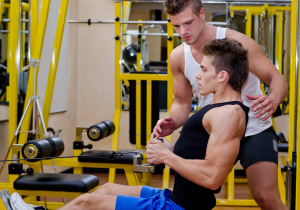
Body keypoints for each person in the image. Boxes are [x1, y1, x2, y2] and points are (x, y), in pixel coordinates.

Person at [58, 38, 249, 210]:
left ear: (222, 76)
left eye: (204, 69)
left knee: (85, 204)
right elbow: (201, 154)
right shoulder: (220, 108)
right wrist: (171, 149)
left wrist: (166, 156)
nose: (198, 75)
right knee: (106, 189)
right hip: (175, 197)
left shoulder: (229, 114)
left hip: (179, 207)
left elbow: (213, 178)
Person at [151, 1, 288, 210]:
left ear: (202, 14)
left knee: (266, 199)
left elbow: (276, 78)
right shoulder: (178, 56)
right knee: (191, 198)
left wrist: (273, 98)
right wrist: (173, 122)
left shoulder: (237, 43)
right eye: (176, 26)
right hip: (214, 132)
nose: (183, 32)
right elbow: (181, 102)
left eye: (188, 23)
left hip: (254, 128)